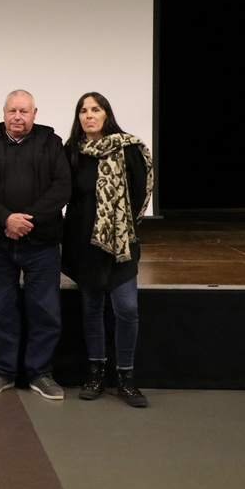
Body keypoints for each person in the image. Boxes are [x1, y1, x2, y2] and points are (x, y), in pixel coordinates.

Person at [0, 90, 71, 400]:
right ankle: (2, 372)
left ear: (34, 113)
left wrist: (28, 220)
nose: (17, 117)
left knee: (45, 311)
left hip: (42, 243)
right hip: (0, 244)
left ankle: (40, 373)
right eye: (12, 111)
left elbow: (62, 187)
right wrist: (5, 219)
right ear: (3, 112)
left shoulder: (52, 144)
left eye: (24, 111)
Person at [62, 92, 153, 407]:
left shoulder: (127, 148)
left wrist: (120, 227)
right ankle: (96, 372)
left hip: (120, 244)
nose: (89, 115)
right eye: (83, 110)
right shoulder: (72, 151)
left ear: (106, 114)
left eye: (95, 109)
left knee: (127, 309)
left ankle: (126, 376)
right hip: (83, 242)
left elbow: (141, 192)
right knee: (91, 308)